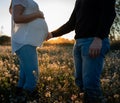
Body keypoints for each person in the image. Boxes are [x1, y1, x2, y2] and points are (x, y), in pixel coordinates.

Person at [47, 0, 116, 103]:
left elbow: (109, 13)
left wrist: (98, 38)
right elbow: (71, 23)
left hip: (93, 41)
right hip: (78, 43)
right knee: (79, 81)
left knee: (90, 85)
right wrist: (52, 34)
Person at [9, 0, 48, 101]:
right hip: (24, 42)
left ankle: (17, 97)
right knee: (33, 78)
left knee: (24, 76)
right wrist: (37, 14)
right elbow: (17, 18)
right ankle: (25, 99)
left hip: (26, 41)